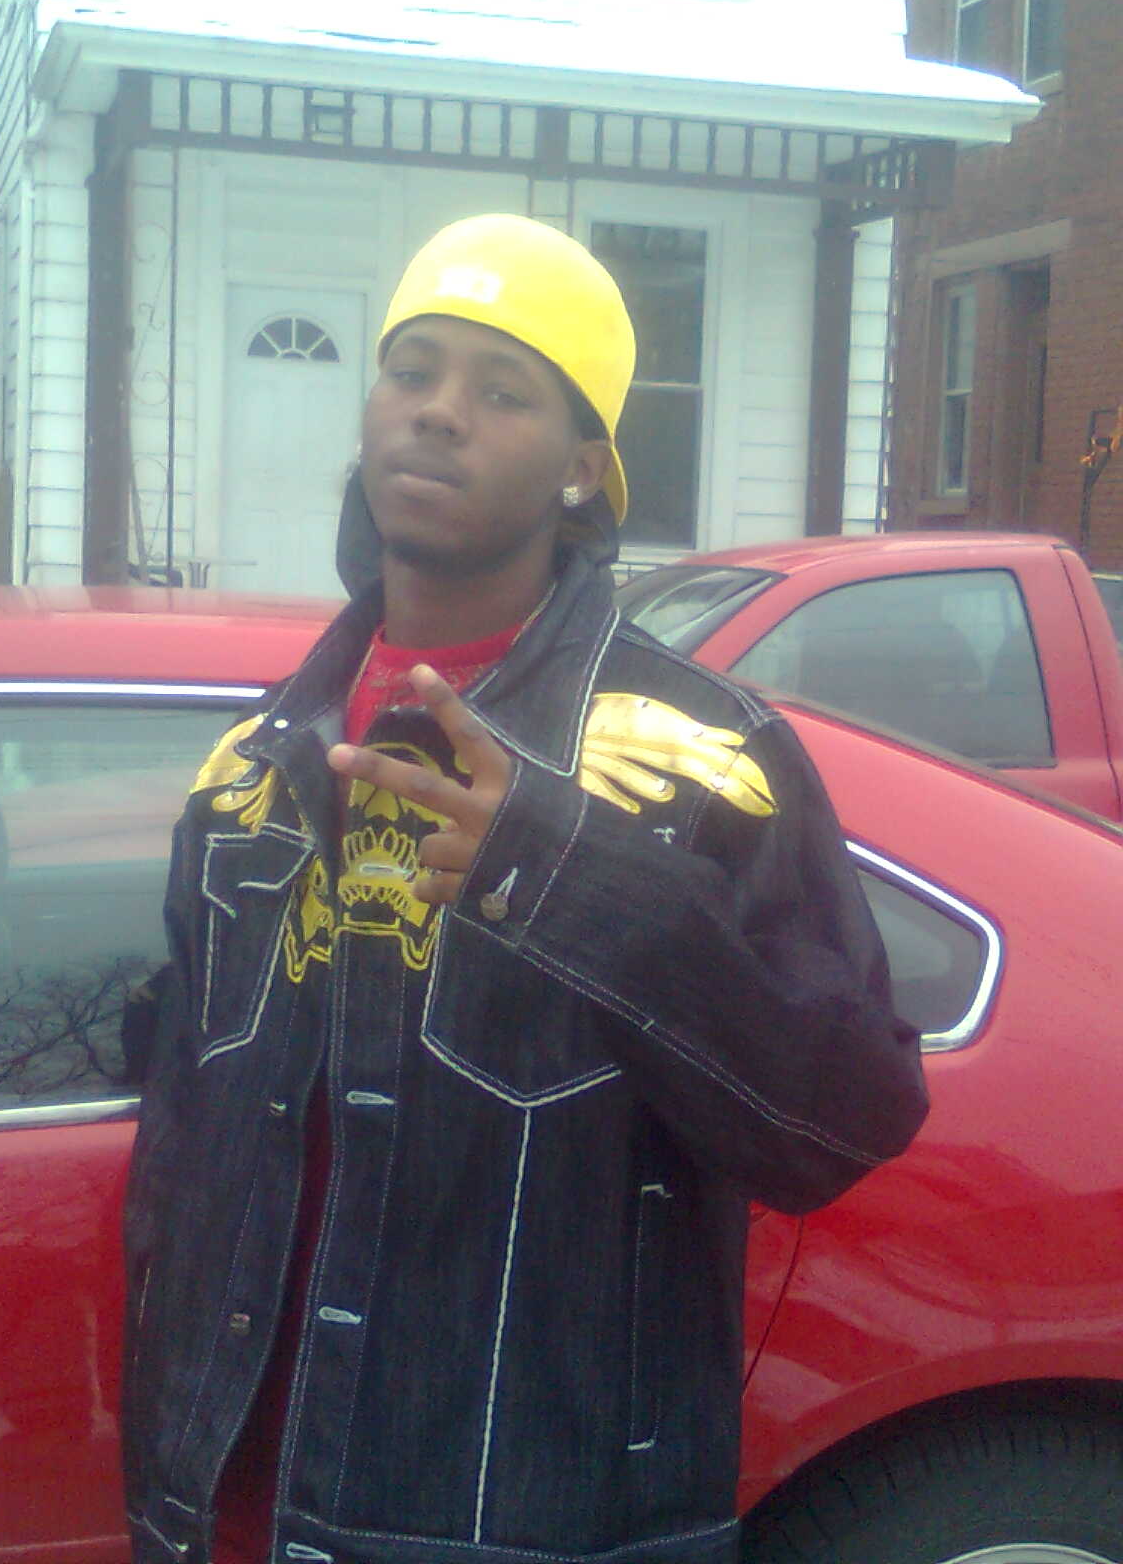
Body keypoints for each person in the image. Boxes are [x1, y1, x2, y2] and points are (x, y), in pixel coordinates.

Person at [121, 214, 928, 1564]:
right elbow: (185, 1145)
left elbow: (841, 1121)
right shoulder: (252, 764)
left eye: (503, 392)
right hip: (227, 1507)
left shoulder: (700, 762)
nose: (439, 412)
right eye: (413, 370)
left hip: (530, 1527)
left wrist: (561, 873)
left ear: (582, 469)